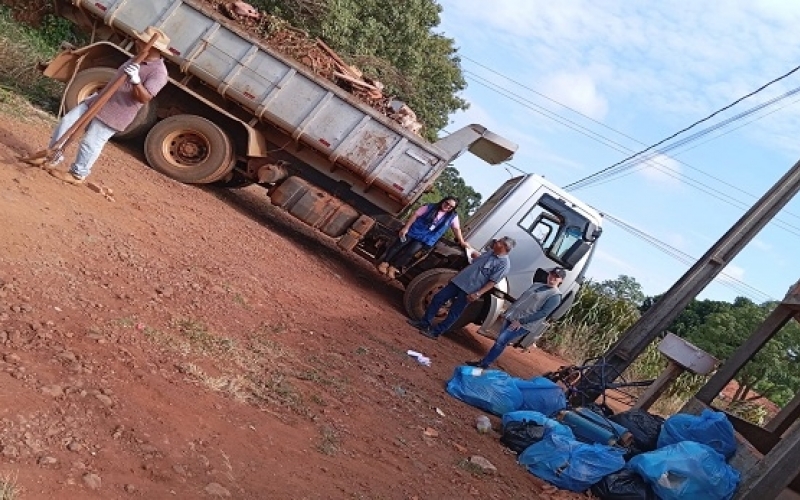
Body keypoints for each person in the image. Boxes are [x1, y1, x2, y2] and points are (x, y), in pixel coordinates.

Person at [46, 26, 170, 185]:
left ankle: (77, 174)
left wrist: (136, 81)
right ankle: (52, 156)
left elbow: (144, 98)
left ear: (152, 47)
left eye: (141, 40)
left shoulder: (159, 73)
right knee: (67, 122)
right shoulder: (137, 58)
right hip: (98, 100)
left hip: (116, 113)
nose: (136, 41)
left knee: (90, 142)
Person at [407, 236, 515, 339]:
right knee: (438, 298)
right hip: (459, 281)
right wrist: (456, 276)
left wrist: (478, 294)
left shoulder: (504, 265)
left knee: (454, 312)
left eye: (499, 242)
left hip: (470, 289)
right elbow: (473, 265)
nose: (496, 242)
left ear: (505, 247)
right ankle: (424, 323)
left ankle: (436, 332)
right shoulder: (490, 253)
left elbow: (492, 282)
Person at [466, 267, 565, 368]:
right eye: (552, 274)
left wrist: (521, 321)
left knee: (501, 340)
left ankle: (484, 363)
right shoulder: (537, 285)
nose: (553, 277)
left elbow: (543, 313)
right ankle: (485, 362)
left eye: (556, 276)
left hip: (523, 323)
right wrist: (507, 313)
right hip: (512, 317)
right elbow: (521, 299)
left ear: (561, 280)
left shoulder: (555, 296)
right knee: (501, 341)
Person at [377, 197, 467, 279]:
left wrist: (462, 241)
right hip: (413, 231)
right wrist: (406, 228)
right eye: (446, 203)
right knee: (398, 246)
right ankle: (385, 263)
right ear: (443, 201)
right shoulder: (429, 206)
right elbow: (415, 215)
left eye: (451, 206)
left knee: (410, 253)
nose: (447, 206)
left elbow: (456, 229)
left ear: (453, 209)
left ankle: (394, 267)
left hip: (425, 238)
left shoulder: (452, 217)